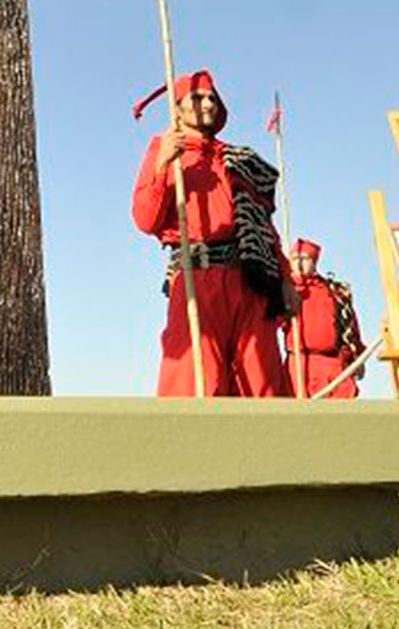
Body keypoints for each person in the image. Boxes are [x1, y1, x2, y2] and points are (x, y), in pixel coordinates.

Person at [132, 70, 296, 397]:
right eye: (197, 97)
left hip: (249, 277)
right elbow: (145, 220)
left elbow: (263, 227)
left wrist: (286, 279)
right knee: (194, 379)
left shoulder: (238, 159)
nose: (207, 103)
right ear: (177, 110)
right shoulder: (164, 151)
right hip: (197, 277)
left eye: (211, 97)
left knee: (260, 378)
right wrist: (164, 165)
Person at [286, 239, 365, 399]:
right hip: (299, 365)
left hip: (333, 365)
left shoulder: (335, 291)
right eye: (295, 259)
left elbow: (350, 325)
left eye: (304, 258)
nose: (299, 263)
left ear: (314, 262)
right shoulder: (287, 291)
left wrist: (358, 356)